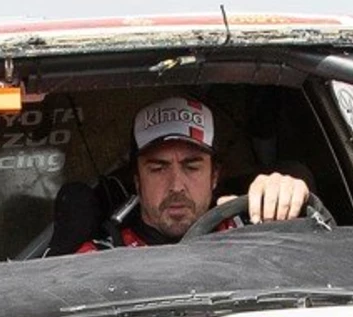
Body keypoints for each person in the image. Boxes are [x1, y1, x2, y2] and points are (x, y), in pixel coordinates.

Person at [76, 96, 309, 252]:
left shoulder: (254, 233)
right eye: (158, 168)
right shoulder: (101, 257)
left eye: (191, 167)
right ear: (138, 181)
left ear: (214, 177)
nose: (176, 185)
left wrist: (286, 203)